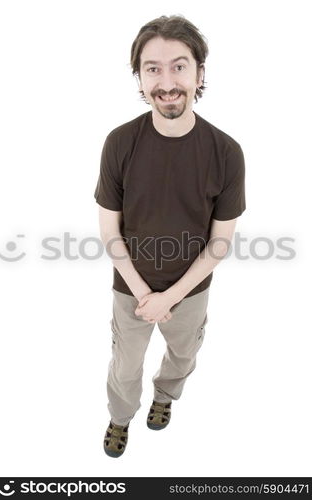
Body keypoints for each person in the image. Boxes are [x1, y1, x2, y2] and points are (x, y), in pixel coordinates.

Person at [94, 14, 246, 458]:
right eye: (152, 68)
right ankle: (121, 419)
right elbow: (109, 231)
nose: (166, 81)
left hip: (191, 290)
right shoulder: (119, 144)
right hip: (131, 290)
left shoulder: (226, 152)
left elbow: (220, 243)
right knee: (125, 368)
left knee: (182, 357)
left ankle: (165, 398)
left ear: (200, 73)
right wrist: (145, 293)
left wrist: (172, 296)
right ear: (139, 78)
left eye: (179, 66)